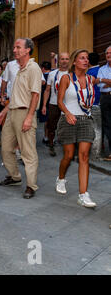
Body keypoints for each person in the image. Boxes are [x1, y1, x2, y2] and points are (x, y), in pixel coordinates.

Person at [0, 38, 42, 199]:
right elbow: (16, 97)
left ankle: (31, 185)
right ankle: (14, 177)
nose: (14, 50)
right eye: (14, 47)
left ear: (27, 50)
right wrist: (3, 113)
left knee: (28, 151)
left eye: (18, 47)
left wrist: (29, 117)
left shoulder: (33, 68)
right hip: (13, 112)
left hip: (25, 113)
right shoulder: (18, 68)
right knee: (6, 148)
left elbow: (36, 94)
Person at [55, 49, 103, 208]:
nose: (85, 60)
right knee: (68, 156)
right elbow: (60, 101)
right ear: (74, 62)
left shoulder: (91, 79)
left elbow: (104, 82)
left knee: (84, 157)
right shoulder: (66, 78)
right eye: (82, 58)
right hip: (68, 120)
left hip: (86, 120)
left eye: (87, 58)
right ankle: (61, 178)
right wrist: (67, 113)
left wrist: (104, 79)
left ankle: (83, 194)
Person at [42, 52, 70, 156]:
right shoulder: (52, 74)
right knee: (51, 126)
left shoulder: (72, 74)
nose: (64, 61)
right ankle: (51, 145)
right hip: (54, 104)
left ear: (69, 60)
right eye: (62, 59)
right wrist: (44, 105)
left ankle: (68, 148)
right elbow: (47, 90)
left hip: (68, 104)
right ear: (58, 61)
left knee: (69, 126)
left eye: (66, 59)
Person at [97, 46, 111, 161]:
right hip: (105, 98)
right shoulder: (101, 69)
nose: (108, 55)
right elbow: (99, 84)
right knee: (107, 124)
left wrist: (104, 80)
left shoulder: (102, 72)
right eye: (107, 53)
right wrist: (104, 81)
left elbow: (102, 81)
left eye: (110, 53)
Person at [39, 61, 51, 145]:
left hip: (44, 100)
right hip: (53, 100)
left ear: (42, 68)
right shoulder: (54, 75)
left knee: (47, 120)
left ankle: (46, 137)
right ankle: (50, 137)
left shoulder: (41, 77)